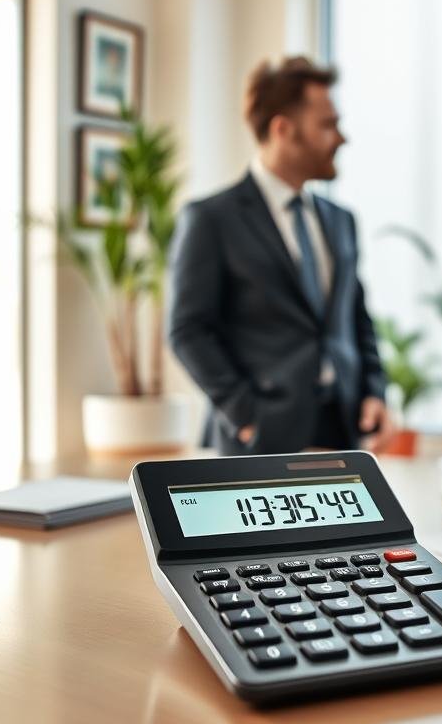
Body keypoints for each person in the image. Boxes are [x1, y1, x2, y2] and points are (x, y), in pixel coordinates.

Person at [168, 56, 395, 455]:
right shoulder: (211, 219)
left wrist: (374, 391)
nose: (341, 138)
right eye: (328, 125)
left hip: (343, 432)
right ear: (282, 129)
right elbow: (188, 331)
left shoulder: (341, 221)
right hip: (258, 438)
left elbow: (356, 316)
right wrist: (246, 414)